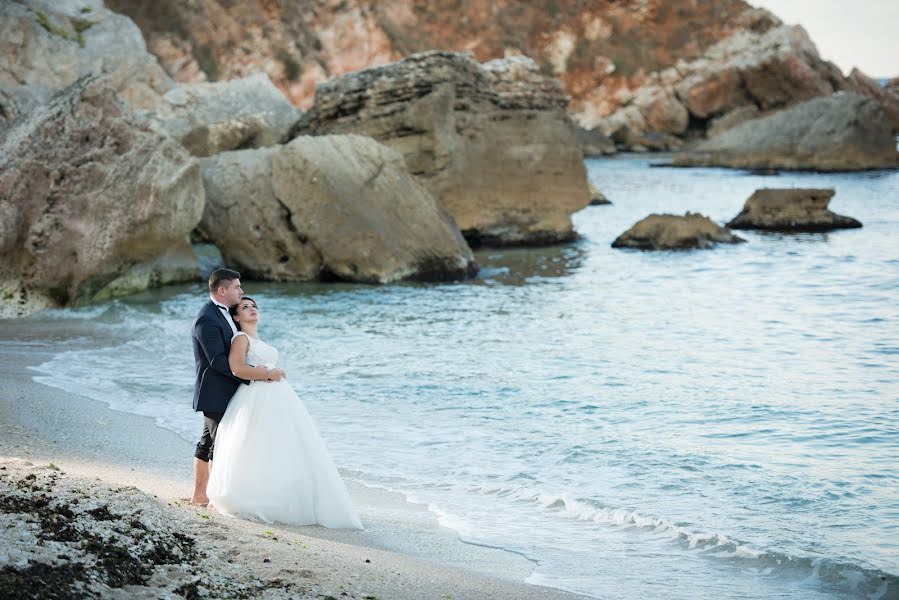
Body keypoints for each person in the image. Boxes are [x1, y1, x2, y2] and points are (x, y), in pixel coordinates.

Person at [206, 296, 363, 529]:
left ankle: (281, 494)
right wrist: (271, 374)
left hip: (277, 398)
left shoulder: (257, 338)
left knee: (281, 446)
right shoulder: (240, 338)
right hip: (257, 397)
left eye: (254, 306)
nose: (252, 309)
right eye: (245, 307)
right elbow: (237, 368)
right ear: (236, 317)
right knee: (257, 445)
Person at [191, 269, 279, 505]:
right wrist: (256, 375)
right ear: (222, 291)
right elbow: (217, 361)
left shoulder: (227, 314)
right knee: (215, 444)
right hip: (215, 391)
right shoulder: (206, 318)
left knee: (210, 442)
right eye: (237, 287)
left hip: (230, 390)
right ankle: (210, 496)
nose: (241, 291)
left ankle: (202, 495)